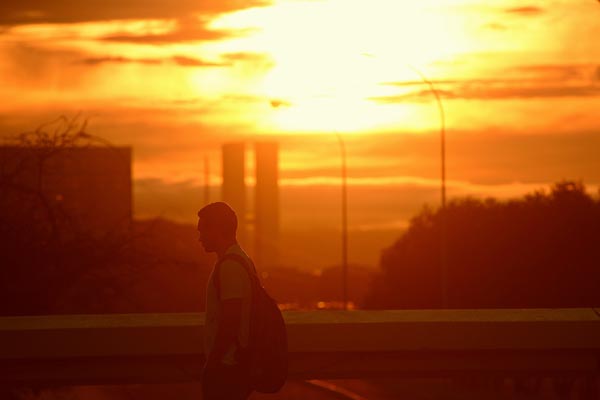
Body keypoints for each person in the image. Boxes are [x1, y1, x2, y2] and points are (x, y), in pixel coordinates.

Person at [197, 202, 254, 400]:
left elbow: (231, 319)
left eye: (203, 230)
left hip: (228, 368)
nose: (200, 238)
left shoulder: (230, 266)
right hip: (233, 366)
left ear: (216, 230)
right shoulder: (239, 259)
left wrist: (213, 363)